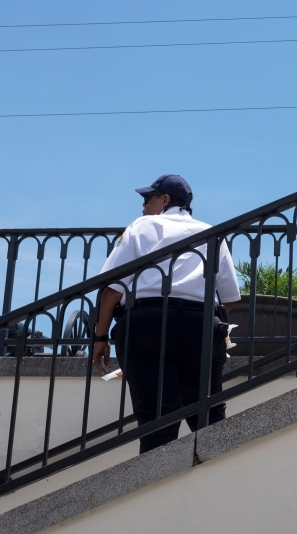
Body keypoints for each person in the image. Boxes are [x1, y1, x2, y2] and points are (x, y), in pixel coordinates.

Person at [92, 174, 240, 454]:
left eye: (148, 198)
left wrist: (100, 335)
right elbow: (228, 299)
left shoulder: (142, 227)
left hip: (146, 324)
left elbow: (111, 288)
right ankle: (222, 480)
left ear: (165, 200)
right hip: (200, 325)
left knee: (156, 418)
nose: (144, 205)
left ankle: (154, 487)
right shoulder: (212, 233)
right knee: (207, 413)